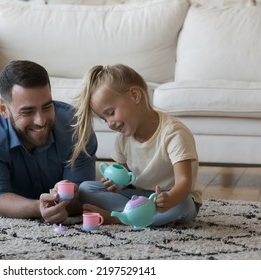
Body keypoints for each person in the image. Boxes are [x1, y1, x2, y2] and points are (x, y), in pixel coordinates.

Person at [0, 60, 97, 224]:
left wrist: (74, 194)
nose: (40, 121)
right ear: (3, 109)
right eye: (27, 111)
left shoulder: (76, 128)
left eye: (47, 107)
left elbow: (83, 196)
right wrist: (38, 208)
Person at [70, 64, 202, 227]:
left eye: (111, 113)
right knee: (85, 188)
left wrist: (169, 200)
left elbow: (184, 182)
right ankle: (137, 216)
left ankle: (120, 218)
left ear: (135, 95)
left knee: (184, 206)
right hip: (139, 197)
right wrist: (116, 184)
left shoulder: (173, 133)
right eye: (104, 119)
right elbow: (126, 179)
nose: (110, 124)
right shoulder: (123, 139)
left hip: (172, 197)